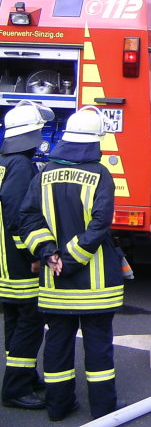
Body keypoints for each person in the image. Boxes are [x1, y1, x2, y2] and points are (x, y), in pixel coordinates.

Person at [18, 106, 124, 421]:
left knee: (58, 344)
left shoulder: (44, 173)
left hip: (54, 283)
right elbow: (99, 225)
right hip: (94, 286)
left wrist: (48, 253)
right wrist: (71, 259)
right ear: (95, 141)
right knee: (98, 348)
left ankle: (58, 406)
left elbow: (27, 219)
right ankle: (104, 410)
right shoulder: (100, 174)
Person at [1, 102, 53, 411]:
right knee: (30, 324)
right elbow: (17, 215)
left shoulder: (5, 161)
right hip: (19, 265)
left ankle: (24, 377)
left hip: (4, 262)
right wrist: (33, 252)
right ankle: (16, 388)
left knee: (16, 322)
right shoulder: (21, 166)